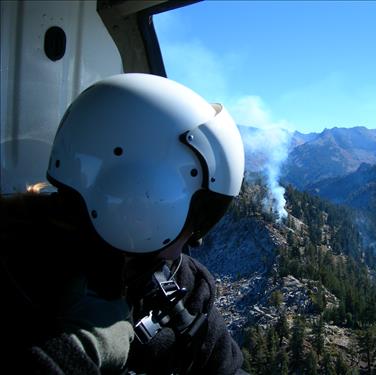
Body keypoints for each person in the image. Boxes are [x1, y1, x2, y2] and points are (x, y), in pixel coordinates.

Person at [0, 73, 246, 374]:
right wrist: (68, 354)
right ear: (146, 195)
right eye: (194, 219)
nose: (187, 245)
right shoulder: (13, 272)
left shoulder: (185, 284)